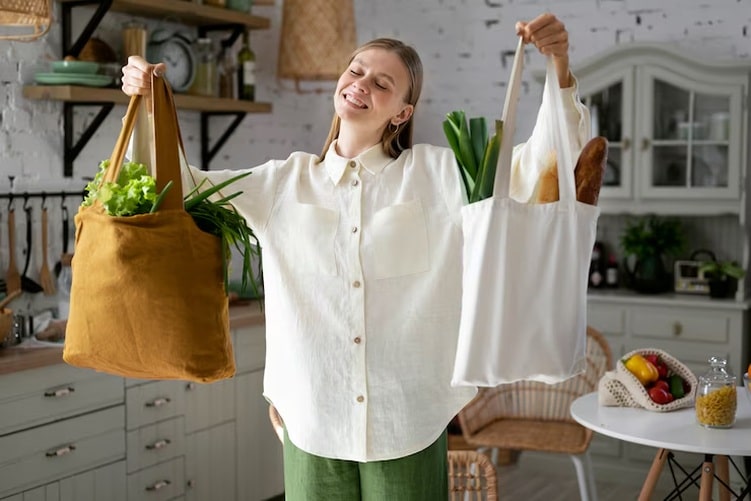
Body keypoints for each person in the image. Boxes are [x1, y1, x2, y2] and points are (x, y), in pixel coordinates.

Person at [121, 12, 590, 500]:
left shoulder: (440, 174)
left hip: (408, 421)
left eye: (382, 82)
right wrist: (144, 103)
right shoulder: (282, 183)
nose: (361, 83)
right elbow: (178, 187)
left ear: (402, 113)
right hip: (311, 422)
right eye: (356, 70)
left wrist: (558, 67)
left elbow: (537, 169)